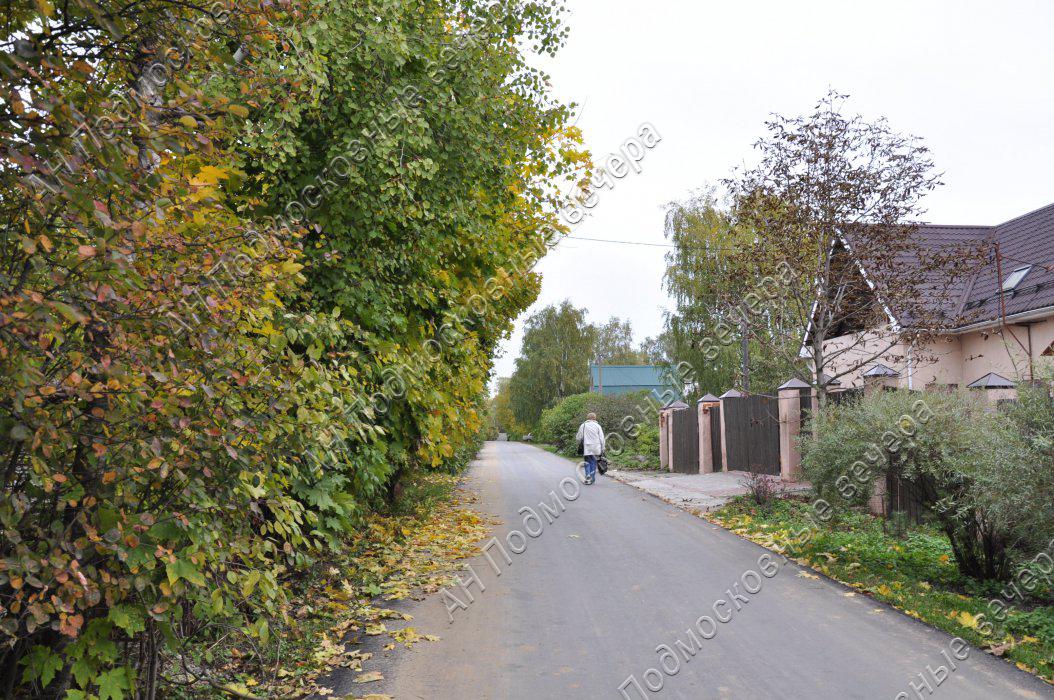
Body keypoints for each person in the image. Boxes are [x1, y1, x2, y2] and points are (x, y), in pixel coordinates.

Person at [575, 412, 605, 485]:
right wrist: (603, 447)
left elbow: (579, 437)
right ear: (595, 418)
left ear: (587, 418)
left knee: (587, 461)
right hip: (596, 447)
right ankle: (592, 477)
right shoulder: (598, 426)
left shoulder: (583, 425)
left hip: (587, 446)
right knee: (594, 462)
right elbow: (602, 438)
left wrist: (578, 442)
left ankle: (588, 475)